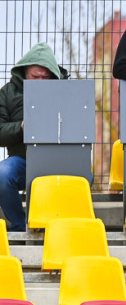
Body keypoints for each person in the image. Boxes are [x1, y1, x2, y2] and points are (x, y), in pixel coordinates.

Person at [0, 43, 68, 232]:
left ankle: (57, 226)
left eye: (45, 77)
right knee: (2, 174)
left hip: (58, 160)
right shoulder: (7, 93)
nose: (40, 81)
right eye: (35, 77)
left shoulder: (67, 92)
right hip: (23, 160)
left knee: (86, 176)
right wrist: (20, 127)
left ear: (53, 75)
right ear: (24, 72)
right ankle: (20, 225)